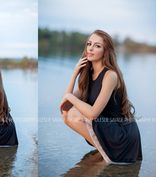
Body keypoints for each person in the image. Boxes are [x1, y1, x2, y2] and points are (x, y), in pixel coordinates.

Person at [60, 30, 142, 163]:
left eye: (97, 46)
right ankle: (105, 151)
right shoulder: (87, 75)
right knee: (67, 113)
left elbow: (92, 114)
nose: (90, 48)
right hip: (108, 128)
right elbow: (64, 105)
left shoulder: (110, 75)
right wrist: (74, 74)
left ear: (106, 51)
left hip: (123, 135)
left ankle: (110, 154)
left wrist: (71, 97)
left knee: (73, 114)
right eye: (89, 44)